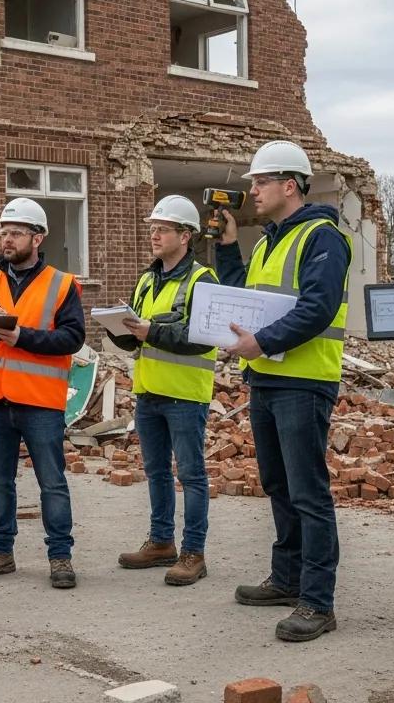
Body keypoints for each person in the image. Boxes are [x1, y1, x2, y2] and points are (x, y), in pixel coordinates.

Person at [224, 140, 349, 643]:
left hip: (304, 381)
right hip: (268, 380)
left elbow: (317, 308)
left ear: (290, 185)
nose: (252, 190)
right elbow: (244, 298)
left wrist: (262, 341)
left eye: (260, 182)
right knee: (278, 485)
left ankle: (317, 601)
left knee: (308, 492)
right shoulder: (268, 241)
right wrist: (229, 245)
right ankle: (287, 578)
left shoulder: (324, 237)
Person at [0, 198, 85, 588]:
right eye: (4, 232)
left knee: (53, 483)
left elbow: (73, 337)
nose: (6, 239)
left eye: (15, 233)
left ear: (37, 237)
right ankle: (0, 552)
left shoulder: (62, 284)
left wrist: (21, 337)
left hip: (40, 402)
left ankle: (60, 557)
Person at [108, 195, 220, 587]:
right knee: (155, 471)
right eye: (152, 228)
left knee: (191, 475)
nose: (154, 235)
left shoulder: (203, 280)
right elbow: (139, 339)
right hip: (149, 391)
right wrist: (118, 331)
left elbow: (205, 338)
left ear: (185, 236)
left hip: (186, 395)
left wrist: (150, 331)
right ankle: (161, 542)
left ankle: (194, 552)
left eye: (163, 229)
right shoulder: (145, 279)